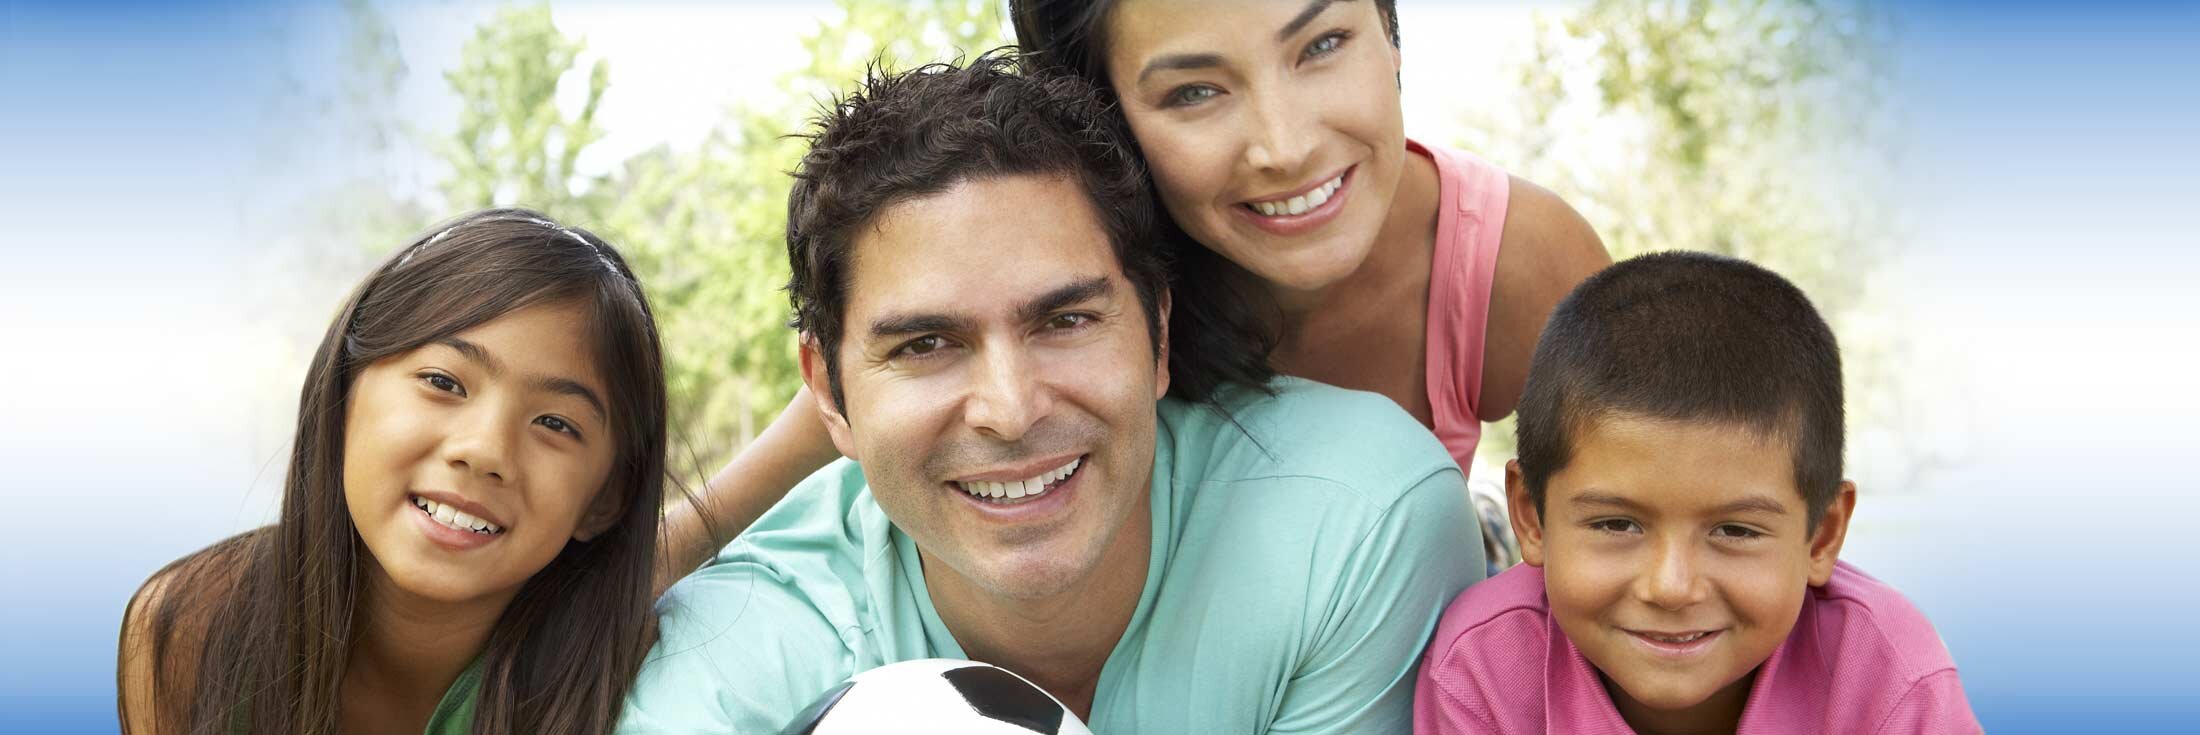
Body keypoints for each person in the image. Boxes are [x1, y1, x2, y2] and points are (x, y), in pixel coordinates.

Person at [618, 53, 1481, 733]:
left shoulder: (1359, 521)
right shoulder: (742, 655)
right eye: (926, 344)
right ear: (830, 394)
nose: (1012, 406)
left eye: (1065, 320)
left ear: (1159, 338)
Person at [656, 0, 1610, 587]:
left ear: (1392, 35)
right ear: (1107, 116)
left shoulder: (1516, 263)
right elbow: (779, 464)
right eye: (1195, 92)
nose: (1284, 144)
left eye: (1322, 43)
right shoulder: (1065, 268)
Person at [116, 209, 671, 735]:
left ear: (606, 499)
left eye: (555, 422)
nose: (485, 451)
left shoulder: (644, 686)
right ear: (343, 397)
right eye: (443, 382)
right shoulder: (191, 625)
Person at [1415, 252, 1981, 734]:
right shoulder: (1483, 667)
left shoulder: (1888, 677)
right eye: (1617, 524)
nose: (1671, 587)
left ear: (1822, 535)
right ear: (1532, 516)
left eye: (1735, 530)